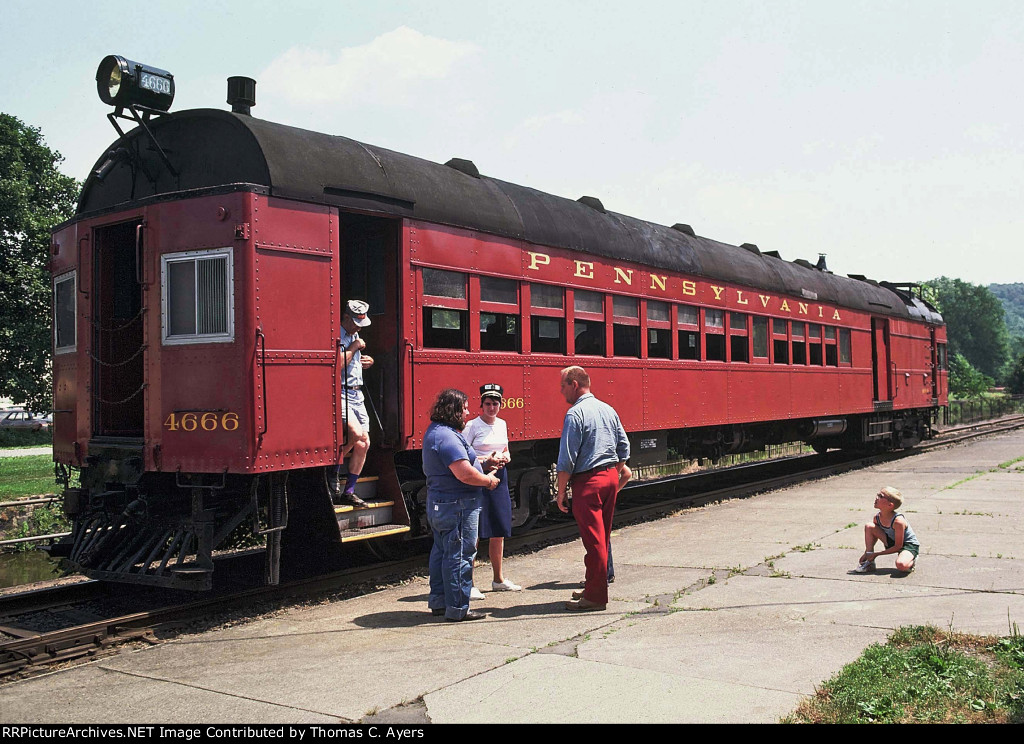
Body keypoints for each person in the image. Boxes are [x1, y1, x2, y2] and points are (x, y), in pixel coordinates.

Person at [555, 366, 630, 611]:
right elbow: (624, 447)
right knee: (602, 537)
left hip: (589, 482)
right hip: (609, 477)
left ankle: (595, 598)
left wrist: (561, 491)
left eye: (563, 385)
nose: (561, 390)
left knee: (594, 542)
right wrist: (613, 470)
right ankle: (592, 586)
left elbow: (566, 459)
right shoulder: (607, 409)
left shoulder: (575, 414)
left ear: (574, 384)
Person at [424, 388, 501, 622]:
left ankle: (439, 601)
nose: (468, 412)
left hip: (441, 503)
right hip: (458, 504)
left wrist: (485, 461)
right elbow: (464, 473)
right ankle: (458, 608)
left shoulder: (437, 432)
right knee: (460, 555)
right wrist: (488, 480)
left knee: (441, 552)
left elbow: (461, 462)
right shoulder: (447, 436)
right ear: (454, 410)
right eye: (465, 408)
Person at [462, 383, 521, 593]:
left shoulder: (502, 424)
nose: (491, 407)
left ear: (500, 405)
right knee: (474, 531)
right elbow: (464, 457)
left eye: (495, 403)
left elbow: (506, 449)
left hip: (500, 477)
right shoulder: (472, 426)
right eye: (488, 403)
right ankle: (468, 584)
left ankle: (498, 579)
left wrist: (506, 457)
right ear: (482, 405)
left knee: (498, 528)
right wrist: (486, 459)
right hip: (480, 477)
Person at [329, 300, 375, 507]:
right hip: (341, 392)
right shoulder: (337, 334)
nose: (358, 327)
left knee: (364, 443)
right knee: (355, 434)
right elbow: (335, 365)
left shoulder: (353, 334)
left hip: (357, 393)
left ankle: (349, 491)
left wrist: (366, 361)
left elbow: (351, 361)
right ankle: (332, 471)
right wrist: (355, 346)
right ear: (346, 317)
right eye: (356, 322)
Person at [853, 486, 920, 574]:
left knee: (901, 565)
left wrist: (877, 554)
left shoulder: (898, 521)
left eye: (880, 496)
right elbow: (874, 535)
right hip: (891, 541)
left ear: (890, 505)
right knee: (869, 526)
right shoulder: (877, 518)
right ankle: (870, 563)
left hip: (907, 545)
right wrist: (867, 553)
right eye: (877, 495)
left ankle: (912, 559)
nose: (876, 498)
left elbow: (898, 546)